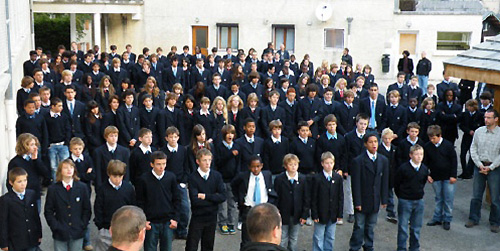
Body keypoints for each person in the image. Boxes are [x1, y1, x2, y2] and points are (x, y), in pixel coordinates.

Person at [349, 134, 389, 251]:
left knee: (371, 225)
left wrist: (384, 199)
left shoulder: (383, 160)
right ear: (366, 144)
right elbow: (355, 184)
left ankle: (368, 245)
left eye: (376, 141)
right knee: (359, 225)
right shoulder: (358, 161)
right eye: (371, 142)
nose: (374, 144)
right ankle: (355, 246)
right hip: (362, 198)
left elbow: (384, 181)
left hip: (375, 198)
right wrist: (357, 202)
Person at [136, 151, 181, 251]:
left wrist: (176, 218)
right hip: (150, 223)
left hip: (168, 222)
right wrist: (143, 221)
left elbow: (177, 199)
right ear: (152, 164)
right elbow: (140, 202)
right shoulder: (144, 179)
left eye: (164, 164)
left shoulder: (171, 177)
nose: (162, 167)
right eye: (158, 164)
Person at [44, 159, 91, 251]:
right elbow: (48, 210)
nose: (69, 170)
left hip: (77, 230)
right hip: (60, 231)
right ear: (60, 171)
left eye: (71, 167)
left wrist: (82, 224)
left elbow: (86, 209)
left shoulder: (82, 187)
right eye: (65, 168)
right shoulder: (53, 189)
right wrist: (55, 226)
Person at [466, 109, 500, 233]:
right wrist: (480, 165)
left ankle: (495, 222)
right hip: (479, 166)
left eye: (489, 117)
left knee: (495, 197)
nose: (486, 120)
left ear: (496, 119)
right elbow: (473, 148)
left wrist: (490, 167)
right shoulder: (479, 132)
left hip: (494, 167)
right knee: (476, 195)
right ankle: (473, 218)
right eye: (485, 117)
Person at [232, 155, 277, 249]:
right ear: (249, 167)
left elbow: (270, 188)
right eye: (253, 167)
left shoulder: (267, 175)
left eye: (258, 166)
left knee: (263, 237)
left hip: (264, 209)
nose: (255, 169)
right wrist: (239, 199)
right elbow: (233, 185)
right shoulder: (243, 176)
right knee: (247, 238)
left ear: (262, 166)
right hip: (249, 209)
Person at [186, 148, 226, 251]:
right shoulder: (193, 178)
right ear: (198, 161)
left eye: (209, 160)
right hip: (198, 217)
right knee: (191, 245)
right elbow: (195, 201)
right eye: (204, 160)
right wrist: (213, 198)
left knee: (208, 246)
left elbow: (222, 196)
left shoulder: (216, 176)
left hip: (212, 217)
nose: (207, 163)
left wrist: (206, 196)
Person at [394, 144, 431, 251]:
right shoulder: (404, 168)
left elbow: (422, 183)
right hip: (405, 200)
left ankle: (414, 247)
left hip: (419, 201)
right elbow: (397, 184)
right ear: (410, 155)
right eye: (416, 154)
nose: (419, 157)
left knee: (416, 227)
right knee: (403, 227)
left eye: (421, 154)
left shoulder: (424, 169)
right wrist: (401, 196)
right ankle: (401, 248)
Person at [94, 160, 136, 251]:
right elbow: (98, 208)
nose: (117, 179)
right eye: (114, 176)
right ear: (109, 174)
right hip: (106, 228)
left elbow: (132, 207)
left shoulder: (128, 188)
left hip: (125, 229)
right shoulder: (102, 189)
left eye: (120, 176)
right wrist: (101, 225)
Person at [0, 167, 42, 251]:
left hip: (31, 238)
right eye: (19, 181)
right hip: (16, 241)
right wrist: (3, 243)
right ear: (11, 182)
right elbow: (3, 222)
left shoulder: (31, 194)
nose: (23, 184)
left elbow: (35, 216)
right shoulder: (6, 199)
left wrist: (39, 234)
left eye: (25, 180)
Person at [423, 125, 457, 230]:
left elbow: (453, 161)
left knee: (448, 199)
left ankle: (447, 219)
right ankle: (437, 217)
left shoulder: (448, 145)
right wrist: (428, 174)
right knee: (438, 198)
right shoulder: (428, 146)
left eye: (434, 138)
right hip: (435, 176)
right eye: (430, 138)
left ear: (439, 136)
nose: (432, 140)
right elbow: (425, 162)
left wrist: (453, 175)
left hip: (448, 177)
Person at [274, 154, 309, 251]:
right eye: (290, 164)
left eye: (295, 164)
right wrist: (276, 213)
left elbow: (306, 198)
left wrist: (305, 214)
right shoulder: (280, 179)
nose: (293, 167)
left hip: (297, 214)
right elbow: (276, 197)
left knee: (294, 239)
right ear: (285, 166)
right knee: (283, 238)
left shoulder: (303, 179)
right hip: (283, 213)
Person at [311, 152, 343, 251]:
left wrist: (340, 213)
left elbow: (340, 196)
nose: (329, 165)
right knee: (318, 237)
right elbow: (314, 197)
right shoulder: (317, 178)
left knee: (330, 237)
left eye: (331, 163)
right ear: (322, 164)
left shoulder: (337, 178)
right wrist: (314, 214)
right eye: (327, 163)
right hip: (321, 213)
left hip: (333, 213)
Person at [214, 125, 240, 235]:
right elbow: (218, 162)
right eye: (228, 133)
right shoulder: (219, 147)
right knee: (222, 203)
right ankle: (222, 223)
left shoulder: (237, 146)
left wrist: (237, 176)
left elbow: (239, 163)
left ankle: (231, 223)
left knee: (232, 203)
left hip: (233, 179)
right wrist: (230, 154)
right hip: (222, 178)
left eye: (232, 133)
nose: (230, 135)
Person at [44, 97, 72, 181]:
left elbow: (68, 129)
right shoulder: (46, 117)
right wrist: (48, 144)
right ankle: (56, 183)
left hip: (63, 144)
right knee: (54, 167)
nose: (61, 108)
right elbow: (45, 131)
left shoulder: (64, 116)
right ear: (52, 106)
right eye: (59, 106)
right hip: (52, 146)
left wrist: (67, 142)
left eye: (61, 106)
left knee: (65, 165)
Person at [458, 99, 484, 179]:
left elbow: (482, 126)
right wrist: (468, 131)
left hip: (475, 137)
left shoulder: (480, 115)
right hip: (466, 136)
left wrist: (475, 131)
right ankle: (464, 171)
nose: (467, 108)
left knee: (472, 155)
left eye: (469, 106)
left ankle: (469, 172)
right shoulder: (464, 114)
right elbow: (461, 125)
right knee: (462, 154)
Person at [378, 128, 398, 223]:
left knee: (389, 194)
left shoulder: (394, 149)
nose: (387, 141)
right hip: (381, 174)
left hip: (391, 175)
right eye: (385, 138)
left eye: (389, 138)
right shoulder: (379, 149)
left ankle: (390, 212)